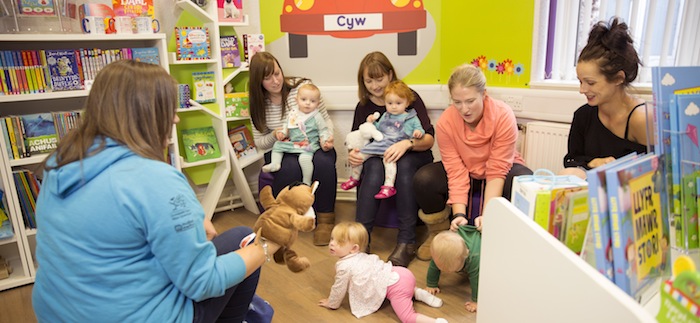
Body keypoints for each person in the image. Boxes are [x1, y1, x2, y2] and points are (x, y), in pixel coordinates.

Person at [32, 60, 280, 322]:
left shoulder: (61, 161)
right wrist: (265, 246)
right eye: (168, 109)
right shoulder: (154, 178)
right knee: (245, 239)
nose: (175, 118)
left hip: (57, 312)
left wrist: (190, 215)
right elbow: (203, 281)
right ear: (146, 114)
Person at [413, 64, 532, 261]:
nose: (464, 109)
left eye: (470, 101)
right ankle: (438, 234)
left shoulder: (503, 115)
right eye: (457, 102)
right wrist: (459, 215)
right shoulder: (446, 122)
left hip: (498, 170)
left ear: (484, 94)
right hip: (467, 170)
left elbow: (497, 170)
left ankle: (505, 240)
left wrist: (489, 216)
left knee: (524, 181)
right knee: (424, 179)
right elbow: (455, 171)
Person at [347, 51, 434, 267]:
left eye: (379, 79)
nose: (375, 86)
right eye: (369, 80)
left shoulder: (408, 96)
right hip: (380, 154)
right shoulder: (364, 106)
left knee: (403, 167)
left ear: (390, 74)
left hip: (414, 154)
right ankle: (361, 239)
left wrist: (407, 143)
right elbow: (358, 138)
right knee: (375, 169)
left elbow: (429, 139)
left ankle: (407, 241)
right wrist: (354, 154)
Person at [249, 52, 337, 246]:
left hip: (313, 141)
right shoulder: (257, 106)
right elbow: (260, 143)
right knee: (288, 168)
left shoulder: (303, 89)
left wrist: (326, 138)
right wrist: (275, 135)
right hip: (284, 146)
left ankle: (325, 218)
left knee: (322, 162)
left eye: (277, 73)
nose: (275, 81)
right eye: (268, 77)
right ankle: (288, 215)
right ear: (258, 82)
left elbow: (325, 119)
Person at [561, 17, 649, 179]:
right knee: (567, 174)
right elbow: (572, 159)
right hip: (595, 189)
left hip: (630, 193)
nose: (582, 90)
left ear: (618, 78)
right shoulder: (583, 115)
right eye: (580, 81)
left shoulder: (641, 119)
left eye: (591, 83)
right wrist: (593, 162)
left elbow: (659, 170)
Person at [318, 222, 447, 323]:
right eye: (332, 239)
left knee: (408, 317)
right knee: (402, 287)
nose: (332, 244)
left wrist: (332, 303)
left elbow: (339, 288)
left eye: (339, 242)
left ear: (354, 248)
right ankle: (418, 293)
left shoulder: (344, 266)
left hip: (397, 286)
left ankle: (436, 321)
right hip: (401, 273)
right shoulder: (361, 255)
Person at [342, 80, 425, 199]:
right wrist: (371, 122)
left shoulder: (411, 117)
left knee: (389, 163)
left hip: (393, 147)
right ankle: (354, 178)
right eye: (390, 103)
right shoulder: (385, 116)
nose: (394, 106)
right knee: (359, 156)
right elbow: (377, 128)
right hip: (380, 144)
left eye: (398, 103)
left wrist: (417, 133)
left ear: (407, 103)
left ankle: (388, 186)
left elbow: (420, 130)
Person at [261, 83, 331, 185]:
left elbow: (323, 130)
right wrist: (283, 133)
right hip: (293, 143)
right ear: (296, 100)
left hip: (308, 145)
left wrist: (324, 140)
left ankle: (306, 181)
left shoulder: (317, 117)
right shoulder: (293, 113)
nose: (307, 103)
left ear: (318, 104)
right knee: (277, 145)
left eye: (312, 101)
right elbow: (286, 125)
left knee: (304, 160)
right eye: (303, 99)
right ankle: (275, 164)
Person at [426, 227, 481, 313]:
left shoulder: (474, 259)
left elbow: (476, 280)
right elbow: (433, 267)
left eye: (454, 269)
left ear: (464, 257)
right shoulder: (439, 254)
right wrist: (431, 284)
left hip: (481, 240)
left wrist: (476, 301)